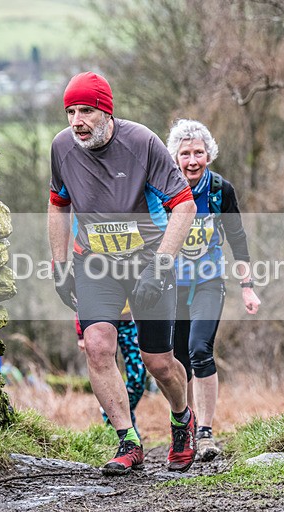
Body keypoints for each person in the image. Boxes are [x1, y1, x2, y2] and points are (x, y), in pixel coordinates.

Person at [48, 71, 198, 475]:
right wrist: (59, 265)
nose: (76, 121)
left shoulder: (141, 143)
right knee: (98, 346)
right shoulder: (62, 147)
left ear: (106, 112)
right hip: (96, 262)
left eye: (85, 111)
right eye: (70, 111)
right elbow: (58, 204)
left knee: (159, 361)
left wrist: (162, 263)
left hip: (148, 260)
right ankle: (128, 441)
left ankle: (183, 419)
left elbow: (184, 207)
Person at [165, 119, 261, 462]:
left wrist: (247, 288)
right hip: (171, 284)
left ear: (209, 155)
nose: (192, 160)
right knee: (175, 359)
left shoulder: (220, 190)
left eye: (199, 153)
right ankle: (185, 426)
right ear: (174, 157)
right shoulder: (163, 190)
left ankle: (205, 432)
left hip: (209, 281)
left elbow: (237, 240)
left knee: (199, 350)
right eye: (185, 153)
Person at [75, 304, 146, 435]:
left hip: (129, 321)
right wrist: (81, 333)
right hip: (101, 320)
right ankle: (120, 425)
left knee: (138, 378)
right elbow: (82, 295)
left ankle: (116, 414)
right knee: (107, 376)